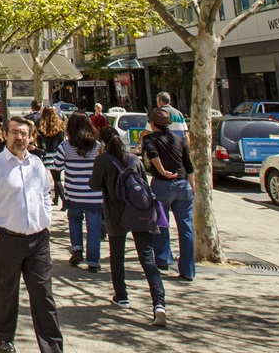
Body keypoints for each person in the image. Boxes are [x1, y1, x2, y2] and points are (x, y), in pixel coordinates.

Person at [0, 116, 73, 353]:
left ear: (31, 137)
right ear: (6, 134)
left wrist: (46, 220)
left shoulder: (37, 163)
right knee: (7, 290)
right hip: (7, 238)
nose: (20, 138)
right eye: (15, 133)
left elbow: (43, 192)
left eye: (24, 134)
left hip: (38, 239)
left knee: (43, 294)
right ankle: (5, 336)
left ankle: (54, 349)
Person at [92, 126, 167, 325]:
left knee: (117, 255)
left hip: (116, 214)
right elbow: (143, 182)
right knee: (147, 258)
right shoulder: (135, 159)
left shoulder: (102, 161)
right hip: (140, 212)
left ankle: (121, 296)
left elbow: (94, 184)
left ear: (103, 143)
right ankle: (158, 303)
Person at [143, 107, 195, 280]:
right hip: (182, 185)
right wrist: (192, 187)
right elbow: (188, 165)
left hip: (162, 186)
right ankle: (188, 270)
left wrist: (163, 171)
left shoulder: (149, 138)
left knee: (161, 223)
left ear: (152, 123)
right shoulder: (179, 139)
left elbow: (153, 154)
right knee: (186, 228)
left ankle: (163, 259)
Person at [59, 113, 104, 273]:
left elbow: (57, 166)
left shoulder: (64, 147)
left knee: (74, 219)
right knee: (94, 227)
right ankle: (93, 261)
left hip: (74, 192)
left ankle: (77, 249)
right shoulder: (98, 146)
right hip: (94, 194)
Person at [37, 107, 66, 207]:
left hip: (48, 154)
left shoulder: (42, 127)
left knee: (56, 179)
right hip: (58, 153)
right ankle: (58, 199)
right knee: (57, 178)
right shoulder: (60, 126)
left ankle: (63, 200)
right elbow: (62, 141)